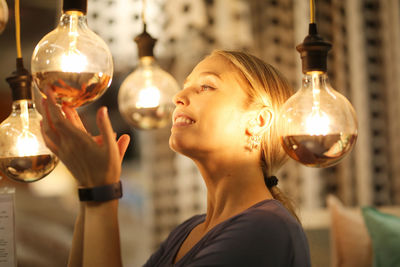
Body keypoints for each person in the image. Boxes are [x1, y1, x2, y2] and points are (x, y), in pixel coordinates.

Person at [40, 50, 311, 267]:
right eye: (184, 87)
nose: (179, 96)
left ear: (258, 120)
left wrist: (102, 188)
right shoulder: (187, 231)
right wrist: (90, 188)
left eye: (206, 86)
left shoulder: (266, 228)